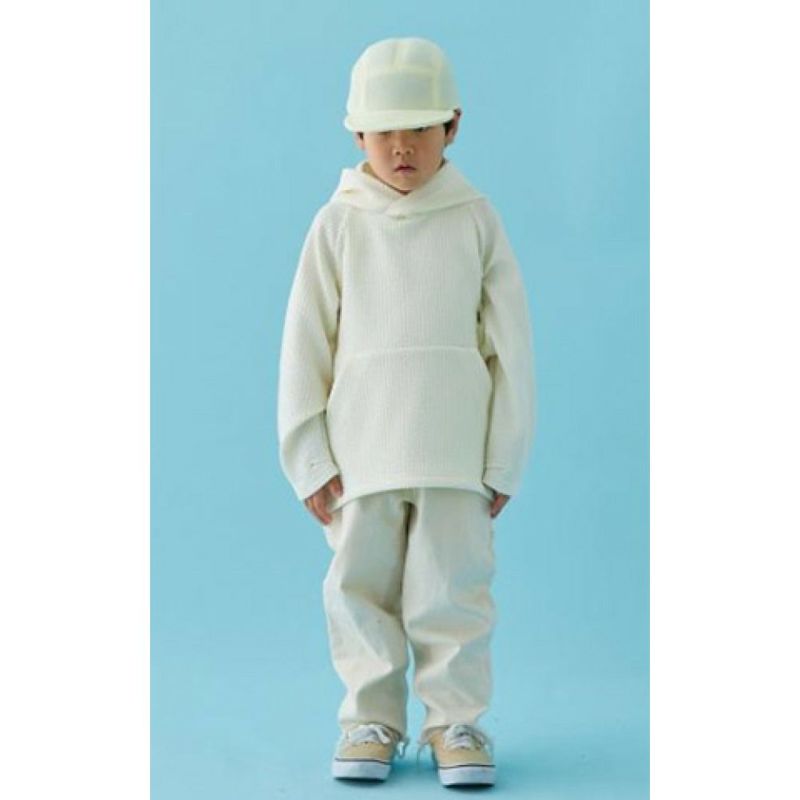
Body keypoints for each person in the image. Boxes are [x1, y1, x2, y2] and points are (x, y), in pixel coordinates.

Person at [277, 36, 536, 787]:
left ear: (452, 126)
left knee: (453, 590)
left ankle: (456, 722)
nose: (401, 147)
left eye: (420, 128)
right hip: (362, 451)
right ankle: (371, 720)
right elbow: (305, 343)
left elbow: (511, 348)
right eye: (385, 130)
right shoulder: (338, 224)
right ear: (357, 133)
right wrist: (309, 457)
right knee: (360, 588)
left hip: (454, 449)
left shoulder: (475, 220)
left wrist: (503, 457)